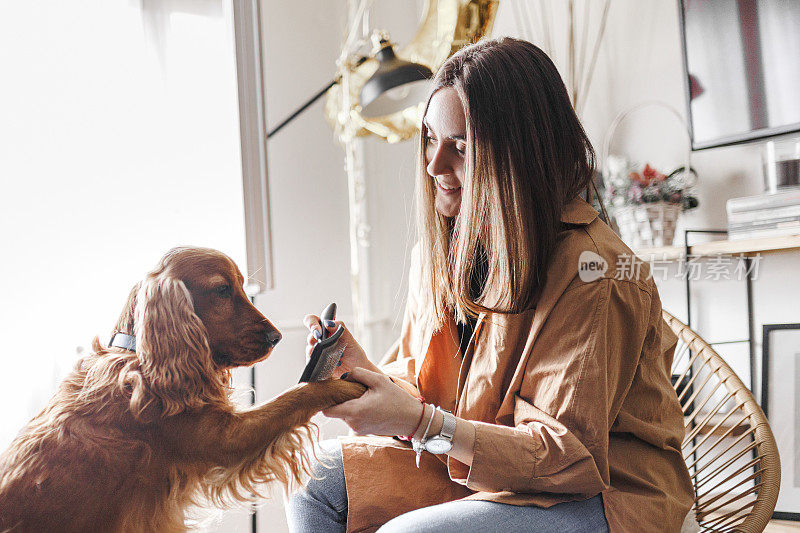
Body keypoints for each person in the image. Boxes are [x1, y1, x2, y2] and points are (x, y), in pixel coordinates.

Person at [286, 37, 693, 533]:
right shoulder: (441, 255)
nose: (435, 165)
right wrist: (364, 373)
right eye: (430, 138)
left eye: (461, 147)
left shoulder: (594, 271)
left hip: (604, 493)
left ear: (522, 154)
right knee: (311, 479)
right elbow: (427, 388)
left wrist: (418, 425)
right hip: (481, 470)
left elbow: (564, 457)